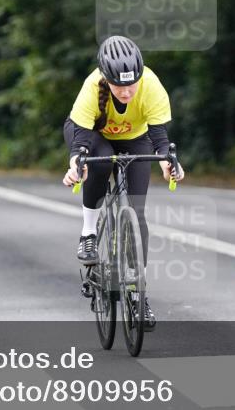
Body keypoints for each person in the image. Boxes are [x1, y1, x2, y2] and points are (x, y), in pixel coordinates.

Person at [61, 35, 184, 329]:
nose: (127, 91)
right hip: (93, 137)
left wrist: (168, 162)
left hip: (135, 140)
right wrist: (76, 164)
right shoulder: (93, 85)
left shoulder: (151, 85)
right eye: (119, 85)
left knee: (138, 212)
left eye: (132, 84)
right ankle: (89, 234)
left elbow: (160, 139)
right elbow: (80, 141)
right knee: (99, 164)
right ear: (106, 78)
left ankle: (138, 294)